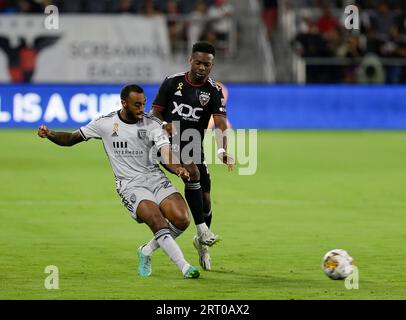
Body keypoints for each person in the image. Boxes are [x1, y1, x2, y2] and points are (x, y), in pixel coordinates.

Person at [37, 84, 200, 279]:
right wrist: (50, 134)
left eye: (143, 104)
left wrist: (178, 168)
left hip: (155, 178)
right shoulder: (105, 124)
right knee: (157, 221)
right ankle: (184, 267)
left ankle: (146, 250)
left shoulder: (152, 124)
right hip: (130, 184)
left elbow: (166, 153)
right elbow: (72, 138)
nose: (141, 109)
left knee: (182, 220)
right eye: (137, 105)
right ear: (124, 103)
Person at [151, 41, 234, 271]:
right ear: (190, 60)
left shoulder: (214, 91)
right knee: (192, 172)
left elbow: (219, 124)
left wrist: (221, 149)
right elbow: (155, 111)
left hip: (192, 145)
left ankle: (201, 243)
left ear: (212, 65)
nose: (201, 67)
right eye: (198, 62)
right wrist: (164, 124)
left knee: (206, 198)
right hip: (165, 142)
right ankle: (202, 230)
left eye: (206, 64)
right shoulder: (172, 82)